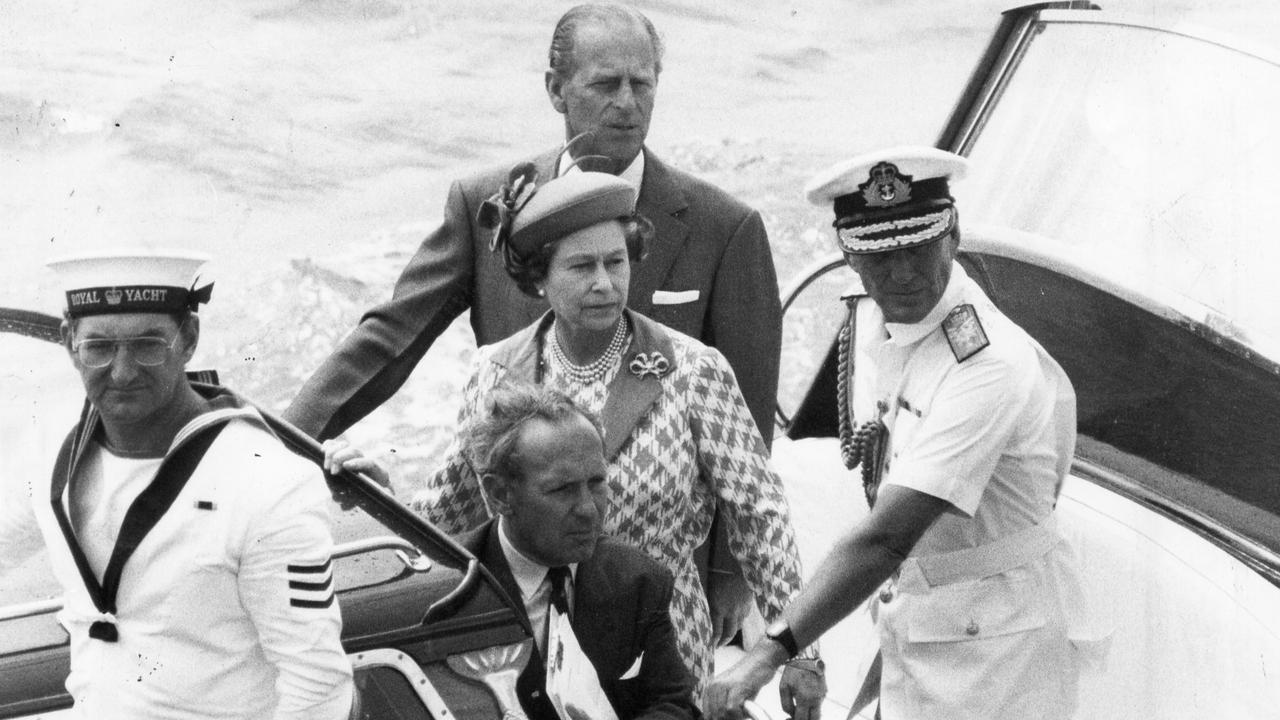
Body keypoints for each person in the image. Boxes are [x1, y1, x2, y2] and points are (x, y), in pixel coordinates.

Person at [405, 166, 824, 714]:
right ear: (539, 278)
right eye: (581, 266)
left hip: (660, 653)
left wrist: (799, 652)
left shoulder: (692, 371)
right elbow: (447, 509)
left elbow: (759, 512)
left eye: (616, 262)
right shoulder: (494, 371)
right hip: (524, 647)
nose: (604, 283)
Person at [706, 147, 1105, 720]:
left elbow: (886, 538)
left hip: (998, 653)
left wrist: (769, 655)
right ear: (849, 254)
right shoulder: (874, 317)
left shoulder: (988, 363)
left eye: (918, 248)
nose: (901, 273)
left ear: (953, 234)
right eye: (879, 253)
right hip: (918, 623)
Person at [0, 250, 354, 720]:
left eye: (149, 345)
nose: (122, 372)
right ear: (69, 342)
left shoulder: (271, 482)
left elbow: (319, 687)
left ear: (188, 339)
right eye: (99, 347)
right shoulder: (52, 440)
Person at [454, 382, 699, 720]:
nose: (588, 509)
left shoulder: (638, 581)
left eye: (597, 482)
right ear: (499, 495)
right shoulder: (451, 593)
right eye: (562, 489)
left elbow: (672, 704)